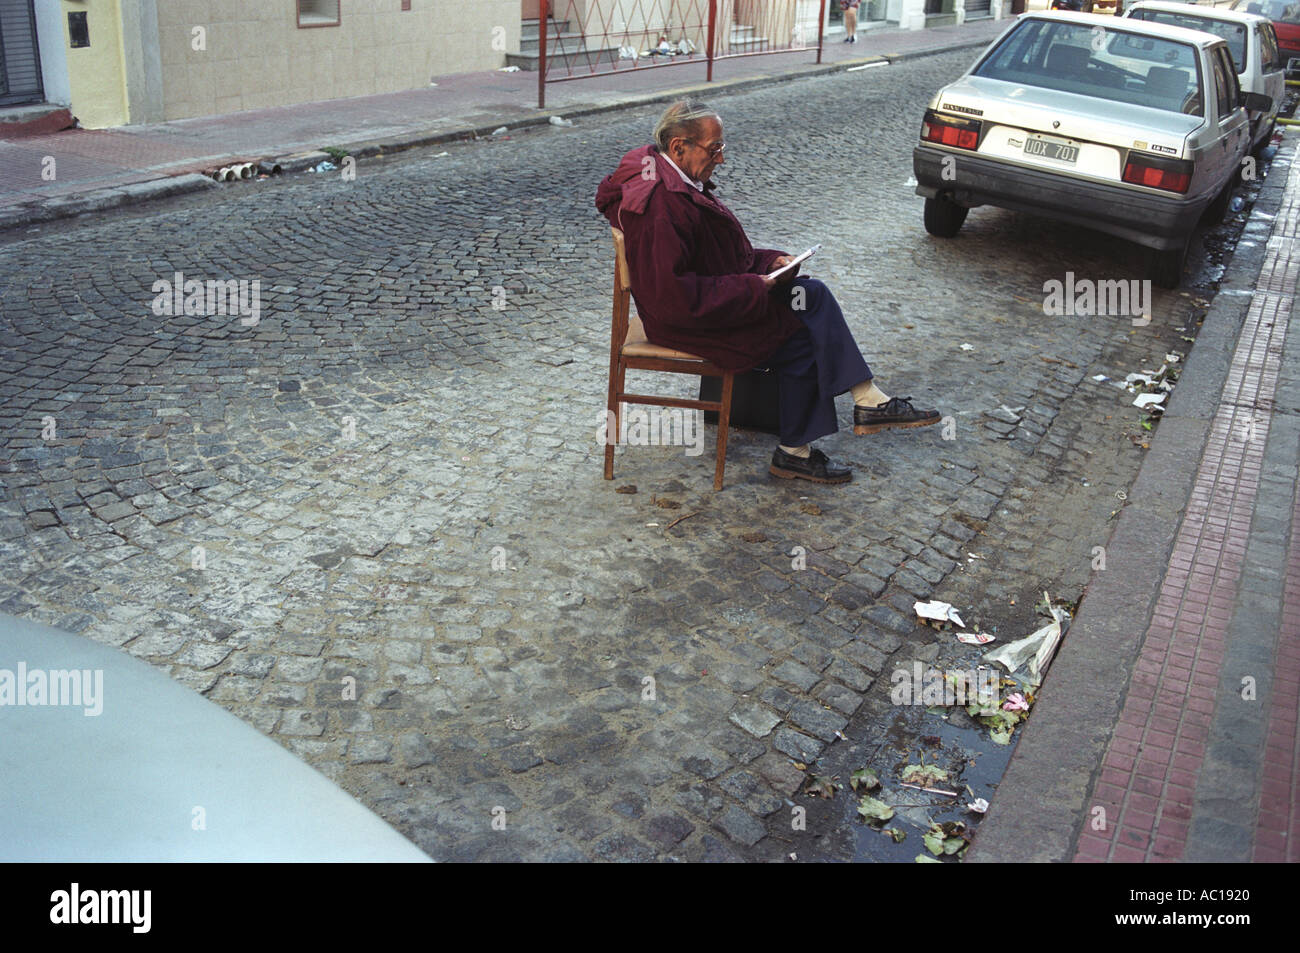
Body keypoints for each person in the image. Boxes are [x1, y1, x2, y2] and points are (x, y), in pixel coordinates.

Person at [594, 100, 939, 485]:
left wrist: (771, 263)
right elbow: (672, 298)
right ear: (679, 147)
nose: (721, 159)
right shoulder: (662, 204)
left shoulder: (676, 181)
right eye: (714, 149)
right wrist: (752, 286)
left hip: (704, 305)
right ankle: (826, 430)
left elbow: (717, 259)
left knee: (809, 297)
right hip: (684, 322)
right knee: (806, 322)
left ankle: (842, 419)